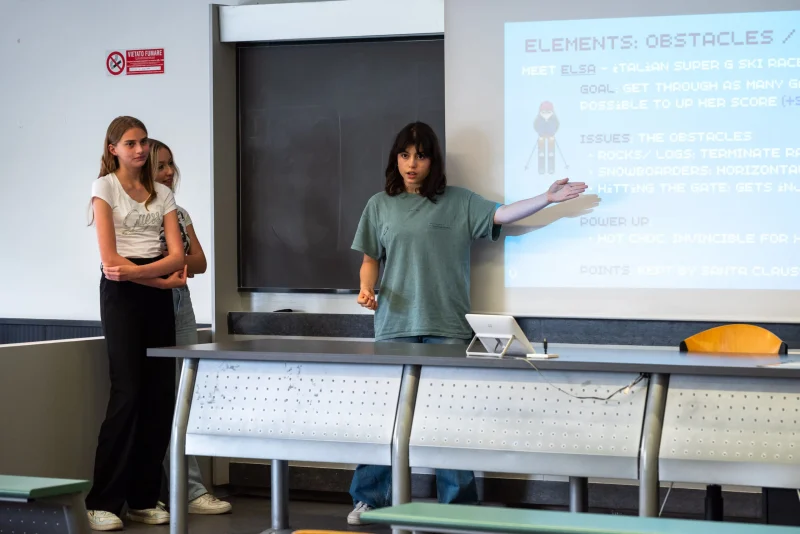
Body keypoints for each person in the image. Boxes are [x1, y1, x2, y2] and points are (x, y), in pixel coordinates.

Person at [347, 121, 587, 525]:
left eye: (420, 156)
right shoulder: (379, 205)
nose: (411, 164)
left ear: (433, 161)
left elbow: (503, 213)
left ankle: (457, 508)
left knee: (448, 420)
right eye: (404, 155)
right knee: (385, 418)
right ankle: (369, 499)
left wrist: (546, 198)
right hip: (393, 326)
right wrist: (365, 289)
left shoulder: (458, 201)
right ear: (395, 159)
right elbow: (369, 260)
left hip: (447, 326)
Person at [86, 116, 189, 531]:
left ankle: (144, 498)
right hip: (123, 298)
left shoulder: (162, 192)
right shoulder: (104, 187)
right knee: (127, 393)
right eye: (130, 143)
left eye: (143, 142)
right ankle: (103, 501)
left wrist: (150, 276)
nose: (139, 150)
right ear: (113, 149)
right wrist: (154, 276)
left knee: (159, 395)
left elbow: (179, 257)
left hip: (152, 291)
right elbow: (110, 261)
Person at [149, 139, 233, 515]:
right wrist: (173, 262)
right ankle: (160, 491)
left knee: (184, 395)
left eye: (170, 165)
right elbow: (162, 261)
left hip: (181, 303)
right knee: (155, 398)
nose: (168, 173)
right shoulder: (138, 213)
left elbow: (197, 261)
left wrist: (175, 261)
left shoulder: (178, 213)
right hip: (150, 302)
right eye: (160, 166)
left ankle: (191, 489)